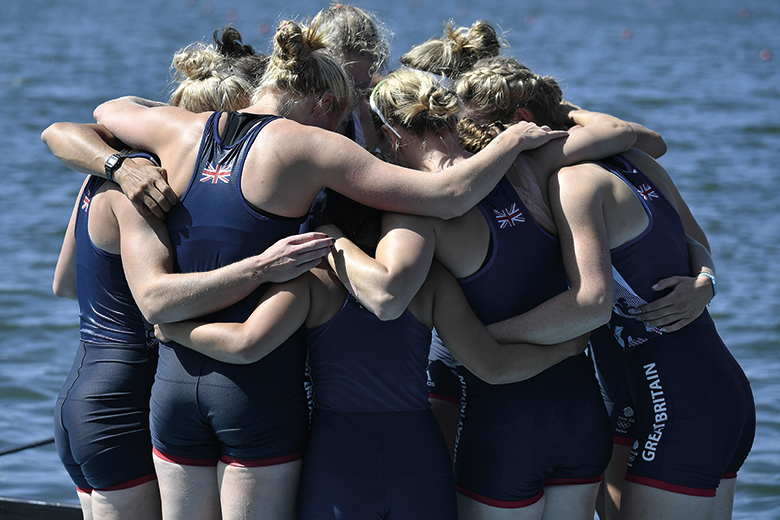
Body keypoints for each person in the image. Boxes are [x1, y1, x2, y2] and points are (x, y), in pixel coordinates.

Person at [47, 16, 566, 520]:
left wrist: (117, 164)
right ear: (325, 104)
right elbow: (448, 196)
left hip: (173, 388)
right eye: (341, 120)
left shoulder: (177, 129)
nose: (342, 131)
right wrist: (510, 142)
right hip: (256, 394)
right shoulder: (310, 145)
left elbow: (107, 108)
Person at [320, 66, 641, 519]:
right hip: (582, 415)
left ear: (391, 139)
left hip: (505, 430)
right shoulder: (526, 160)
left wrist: (332, 237)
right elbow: (620, 134)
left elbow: (386, 294)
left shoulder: (417, 209)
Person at [43, 26, 335, 520]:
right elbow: (155, 299)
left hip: (80, 392)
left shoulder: (102, 177)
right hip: (128, 396)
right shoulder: (149, 190)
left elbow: (64, 283)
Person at [153, 190, 588, 519]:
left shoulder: (313, 283)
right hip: (418, 455)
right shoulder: (430, 282)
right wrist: (566, 349)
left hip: (338, 457)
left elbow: (245, 343)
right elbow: (493, 367)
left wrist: (176, 327)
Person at [469, 70, 756, 520]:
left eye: (478, 139)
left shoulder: (574, 183)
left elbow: (590, 305)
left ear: (522, 123)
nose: (475, 155)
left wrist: (475, 336)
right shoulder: (639, 161)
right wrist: (706, 281)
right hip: (689, 386)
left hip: (677, 401)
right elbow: (696, 243)